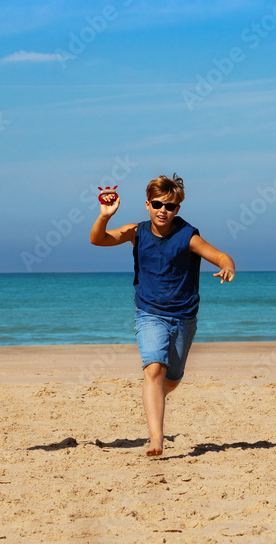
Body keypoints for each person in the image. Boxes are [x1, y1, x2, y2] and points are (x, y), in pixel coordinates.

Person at [89, 173, 236, 456]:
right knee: (154, 369)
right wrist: (105, 216)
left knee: (173, 378)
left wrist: (228, 267)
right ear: (147, 204)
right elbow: (99, 240)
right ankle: (156, 439)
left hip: (184, 316)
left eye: (169, 206)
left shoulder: (187, 237)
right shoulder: (137, 232)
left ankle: (154, 394)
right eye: (157, 204)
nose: (162, 211)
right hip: (149, 312)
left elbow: (220, 256)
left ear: (177, 208)